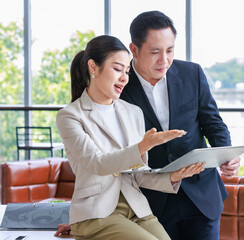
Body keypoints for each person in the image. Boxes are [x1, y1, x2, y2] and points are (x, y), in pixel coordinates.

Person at [55, 35, 204, 240]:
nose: (125, 78)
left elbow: (136, 173)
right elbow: (97, 164)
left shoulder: (132, 112)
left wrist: (172, 177)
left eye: (127, 71)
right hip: (96, 214)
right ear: (93, 67)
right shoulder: (70, 116)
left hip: (137, 209)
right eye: (117, 69)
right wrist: (142, 147)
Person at [119, 11, 241, 240]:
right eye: (155, 52)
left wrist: (226, 153)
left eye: (170, 50)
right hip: (151, 201)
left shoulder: (191, 73)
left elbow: (213, 122)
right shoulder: (121, 87)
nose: (164, 60)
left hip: (200, 196)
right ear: (133, 50)